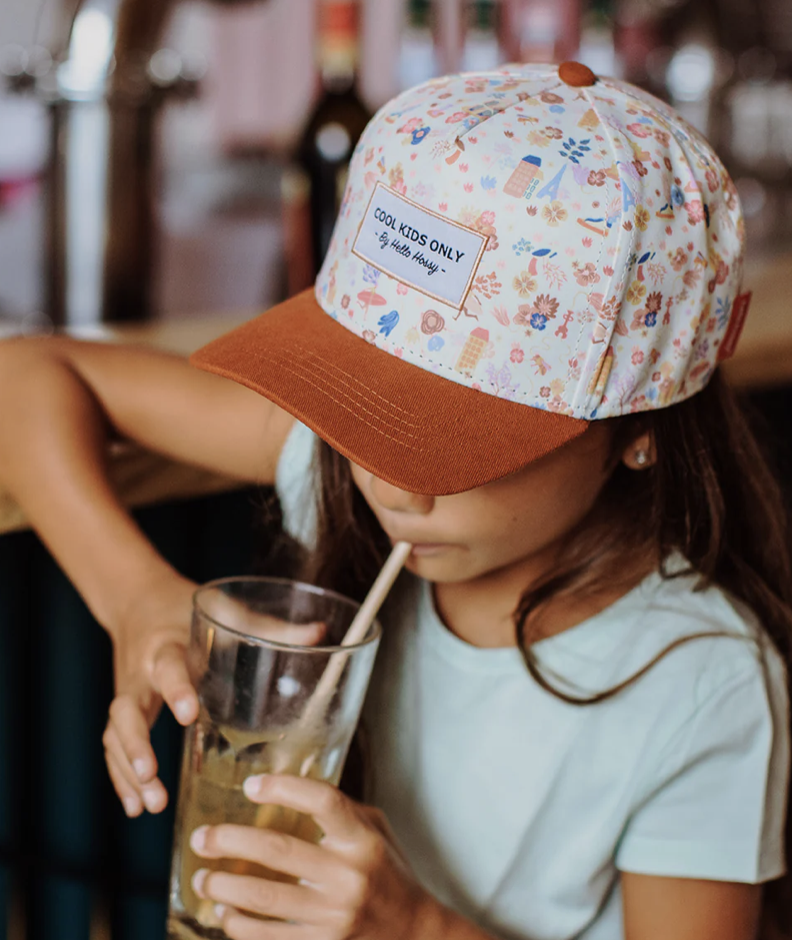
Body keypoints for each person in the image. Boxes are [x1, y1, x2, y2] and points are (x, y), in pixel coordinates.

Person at [0, 60, 790, 940]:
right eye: (367, 403)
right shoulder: (344, 468)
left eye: (453, 438)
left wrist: (416, 928)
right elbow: (22, 374)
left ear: (642, 429)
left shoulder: (701, 682)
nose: (389, 482)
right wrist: (137, 599)